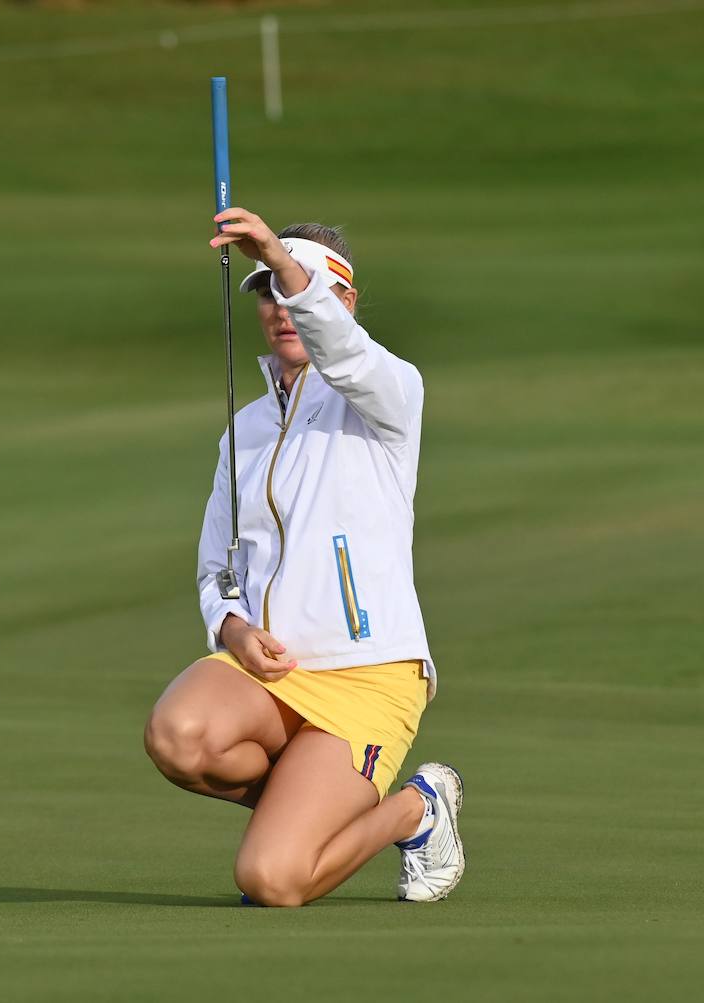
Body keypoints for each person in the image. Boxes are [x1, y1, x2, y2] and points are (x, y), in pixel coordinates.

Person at [143, 207, 464, 907]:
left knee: (274, 880)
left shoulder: (387, 393)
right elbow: (215, 567)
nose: (283, 307)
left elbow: (342, 353)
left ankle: (416, 808)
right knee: (178, 735)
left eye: (302, 290)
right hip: (272, 678)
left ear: (343, 301)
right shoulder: (247, 429)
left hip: (367, 678)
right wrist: (231, 628)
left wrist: (283, 264)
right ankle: (310, 796)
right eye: (268, 291)